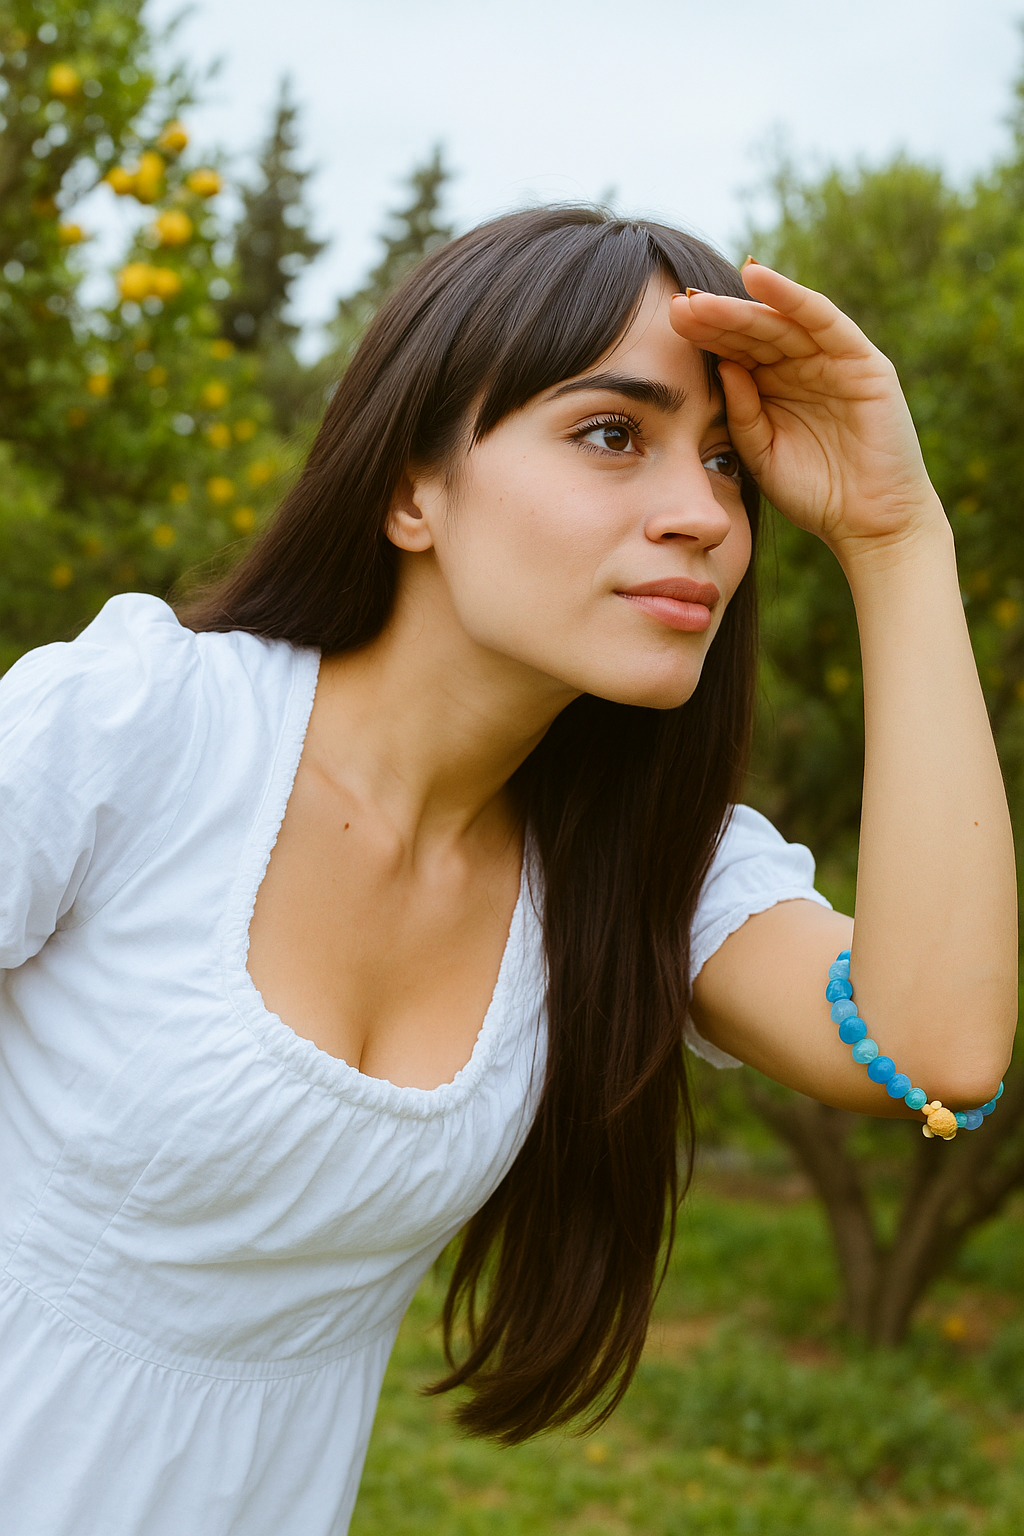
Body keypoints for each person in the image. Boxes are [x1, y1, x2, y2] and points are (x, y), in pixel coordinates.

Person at [0, 205, 1015, 1536]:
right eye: (613, 435)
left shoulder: (641, 869)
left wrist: (896, 537)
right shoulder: (142, 726)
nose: (702, 515)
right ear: (410, 489)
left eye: (728, 466)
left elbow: (933, 1048)